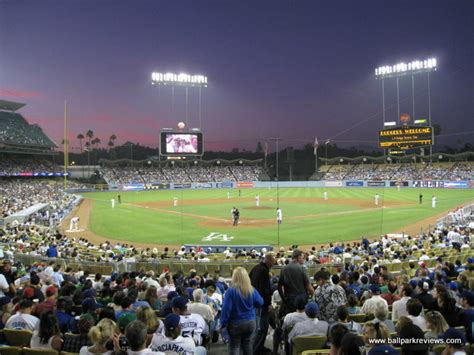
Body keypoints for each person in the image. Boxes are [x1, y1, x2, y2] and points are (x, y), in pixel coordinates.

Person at [220, 266, 264, 355]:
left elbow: (226, 309)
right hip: (250, 322)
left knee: (234, 346)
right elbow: (260, 302)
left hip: (235, 323)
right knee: (247, 345)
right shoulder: (251, 289)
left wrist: (223, 323)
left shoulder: (231, 291)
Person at [249, 252, 276, 354]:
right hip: (262, 303)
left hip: (255, 301)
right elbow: (265, 289)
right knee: (261, 327)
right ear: (268, 260)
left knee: (261, 326)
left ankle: (259, 347)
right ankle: (255, 349)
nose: (273, 264)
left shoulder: (256, 268)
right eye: (272, 262)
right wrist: (268, 303)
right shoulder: (264, 271)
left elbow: (249, 281)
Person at [278, 249, 314, 317]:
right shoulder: (302, 268)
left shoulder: (284, 269)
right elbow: (309, 286)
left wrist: (283, 298)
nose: (303, 260)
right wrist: (314, 296)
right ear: (298, 257)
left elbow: (279, 286)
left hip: (289, 300)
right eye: (303, 258)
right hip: (301, 301)